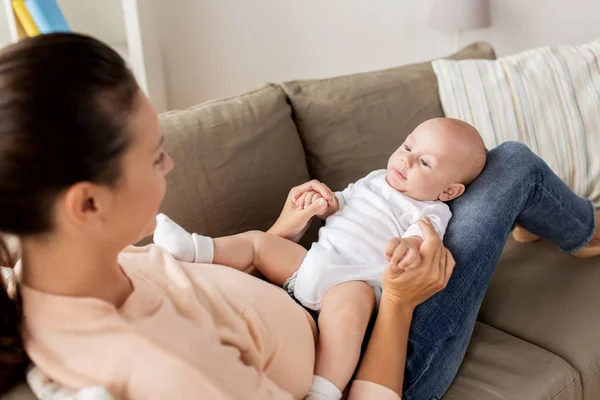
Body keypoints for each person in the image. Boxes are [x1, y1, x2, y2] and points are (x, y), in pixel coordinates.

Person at [0, 33, 597, 400]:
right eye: (155, 156)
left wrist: (284, 230)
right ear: (86, 203)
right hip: (375, 356)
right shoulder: (171, 371)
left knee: (505, 169)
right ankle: (587, 231)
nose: (172, 161)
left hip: (306, 284)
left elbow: (232, 292)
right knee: (513, 164)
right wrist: (395, 302)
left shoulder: (47, 269)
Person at [152, 118, 487, 398]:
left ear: (448, 192)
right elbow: (343, 201)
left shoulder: (431, 210)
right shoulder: (374, 179)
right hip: (310, 264)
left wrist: (410, 250)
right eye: (408, 147)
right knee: (258, 242)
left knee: (346, 319)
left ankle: (323, 390)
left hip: (352, 283)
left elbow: (421, 239)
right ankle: (194, 249)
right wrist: (323, 204)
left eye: (425, 162)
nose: (406, 161)